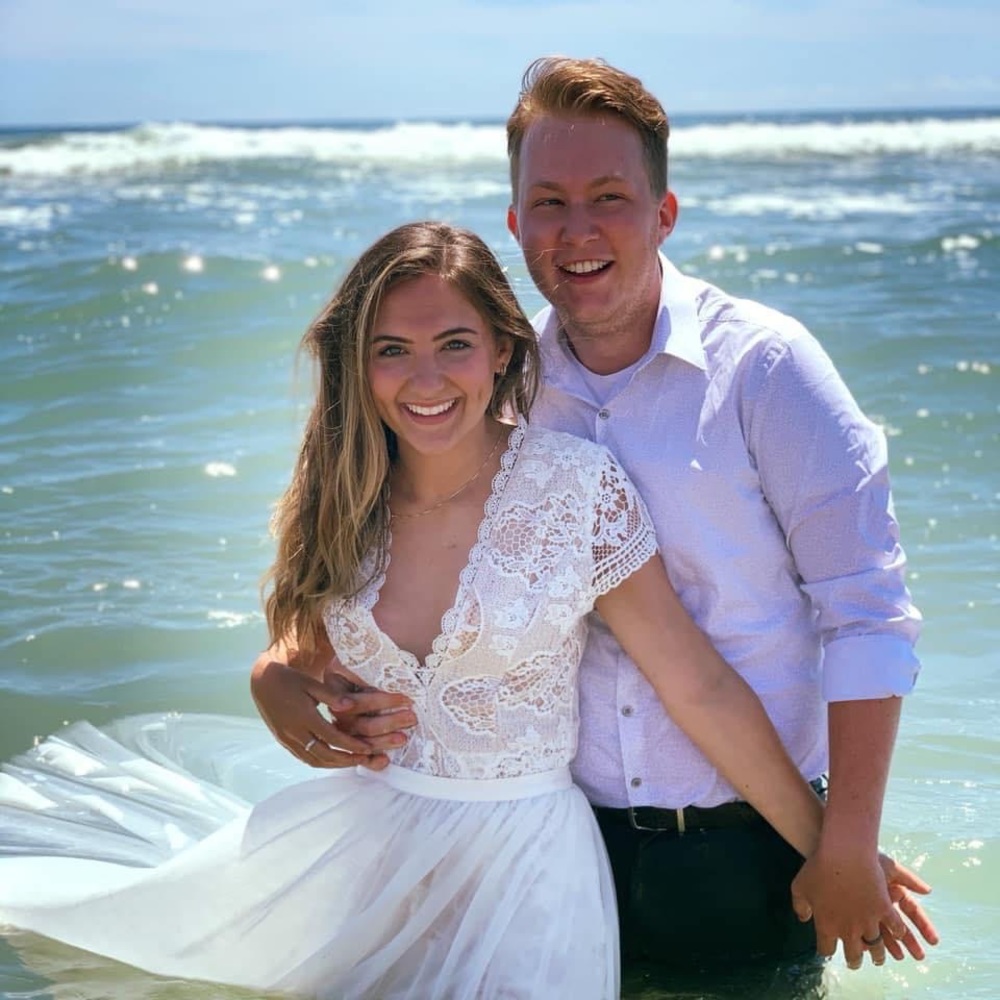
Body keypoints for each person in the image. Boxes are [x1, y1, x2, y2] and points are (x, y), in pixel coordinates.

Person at [0, 221, 890, 999]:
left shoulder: (576, 490)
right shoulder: (341, 498)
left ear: (502, 350)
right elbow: (301, 647)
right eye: (391, 349)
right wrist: (271, 679)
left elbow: (696, 686)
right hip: (374, 858)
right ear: (360, 363)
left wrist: (839, 854)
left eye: (453, 344)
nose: (424, 378)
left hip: (532, 872)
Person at [250, 58, 938, 977]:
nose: (578, 231)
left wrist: (844, 842)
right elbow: (389, 576)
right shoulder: (486, 381)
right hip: (562, 851)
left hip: (744, 844)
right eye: (549, 202)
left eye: (609, 196)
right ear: (515, 221)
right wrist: (275, 677)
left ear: (664, 212)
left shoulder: (768, 372)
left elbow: (867, 615)